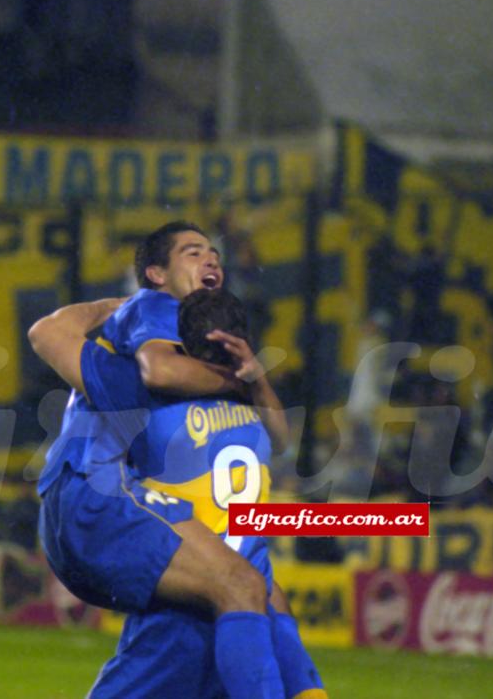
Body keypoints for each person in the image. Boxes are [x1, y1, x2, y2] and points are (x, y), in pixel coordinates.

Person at [33, 287, 325, 698]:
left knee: (241, 600)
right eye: (195, 252)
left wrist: (119, 310)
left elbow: (53, 335)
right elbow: (282, 439)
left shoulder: (146, 392)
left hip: (193, 573)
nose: (209, 262)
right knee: (268, 600)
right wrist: (253, 379)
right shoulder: (250, 410)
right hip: (225, 571)